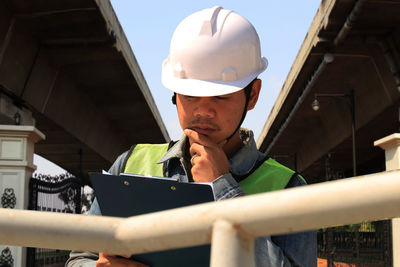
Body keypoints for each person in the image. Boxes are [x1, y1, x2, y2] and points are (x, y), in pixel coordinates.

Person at [66, 6, 316, 267]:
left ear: (252, 95)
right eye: (190, 95)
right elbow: (80, 258)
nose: (202, 111)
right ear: (174, 93)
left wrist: (223, 189)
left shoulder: (287, 188)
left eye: (220, 96)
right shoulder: (129, 164)